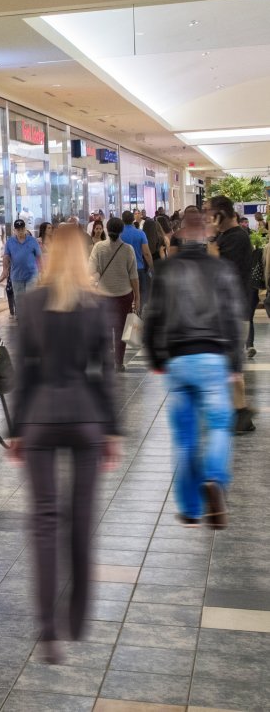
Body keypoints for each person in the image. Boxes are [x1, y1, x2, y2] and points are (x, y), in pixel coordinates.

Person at [8, 226, 121, 663]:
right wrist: (112, 429)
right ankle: (77, 618)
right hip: (86, 419)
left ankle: (48, 630)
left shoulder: (32, 303)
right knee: (81, 520)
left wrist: (18, 427)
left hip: (39, 418)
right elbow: (103, 372)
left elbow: (25, 370)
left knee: (44, 523)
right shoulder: (96, 307)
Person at [144, 206, 243, 528]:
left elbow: (153, 317)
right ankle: (214, 479)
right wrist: (235, 365)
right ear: (207, 234)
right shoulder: (221, 270)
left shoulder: (166, 270)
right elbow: (231, 319)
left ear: (180, 234)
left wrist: (157, 360)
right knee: (217, 426)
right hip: (213, 359)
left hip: (178, 361)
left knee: (185, 439)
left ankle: (189, 508)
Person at [207, 195, 255, 432]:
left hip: (234, 310)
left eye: (211, 212)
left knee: (231, 364)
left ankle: (241, 412)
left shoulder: (237, 238)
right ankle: (239, 412)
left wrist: (211, 238)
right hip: (226, 309)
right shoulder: (226, 236)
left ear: (222, 213)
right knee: (230, 364)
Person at [90, 218, 139, 371]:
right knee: (121, 330)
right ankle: (119, 362)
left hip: (102, 296)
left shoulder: (98, 247)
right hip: (124, 295)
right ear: (121, 230)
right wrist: (137, 297)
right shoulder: (128, 249)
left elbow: (91, 271)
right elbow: (133, 276)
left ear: (106, 228)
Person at [0, 219, 42, 305]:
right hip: (16, 275)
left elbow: (39, 256)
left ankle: (31, 317)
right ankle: (22, 316)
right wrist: (5, 270)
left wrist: (41, 271)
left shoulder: (32, 241)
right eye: (18, 229)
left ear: (25, 229)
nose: (20, 231)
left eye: (22, 229)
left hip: (31, 274)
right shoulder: (10, 242)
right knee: (19, 299)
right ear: (14, 230)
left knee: (30, 297)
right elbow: (6, 256)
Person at [121, 210, 154, 310]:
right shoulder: (140, 233)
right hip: (139, 267)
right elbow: (147, 253)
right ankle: (139, 314)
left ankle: (128, 313)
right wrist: (151, 266)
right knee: (141, 292)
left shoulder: (119, 234)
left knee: (126, 293)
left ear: (122, 220)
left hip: (124, 269)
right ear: (133, 220)